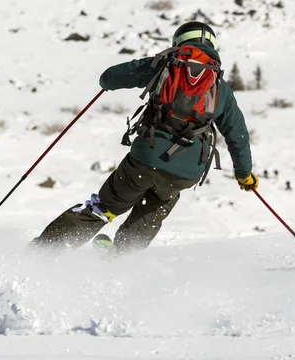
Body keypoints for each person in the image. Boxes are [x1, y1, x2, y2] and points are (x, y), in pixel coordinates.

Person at [31, 21, 258, 254]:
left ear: (178, 42)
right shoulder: (221, 87)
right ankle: (121, 258)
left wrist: (110, 82)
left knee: (104, 208)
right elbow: (237, 135)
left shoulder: (164, 65)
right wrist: (244, 174)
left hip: (145, 159)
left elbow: (108, 77)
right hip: (184, 173)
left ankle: (43, 252)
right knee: (151, 212)